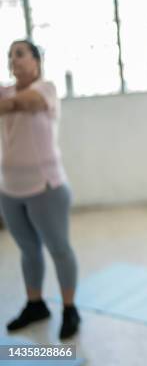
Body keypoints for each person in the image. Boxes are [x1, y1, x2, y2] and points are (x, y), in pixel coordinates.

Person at [1, 40, 79, 339]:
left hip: (46, 187)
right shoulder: (6, 91)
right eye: (10, 56)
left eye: (20, 54)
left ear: (36, 61)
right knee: (28, 250)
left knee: (59, 249)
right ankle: (35, 305)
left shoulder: (46, 89)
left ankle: (70, 309)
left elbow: (23, 103)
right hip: (9, 188)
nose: (13, 60)